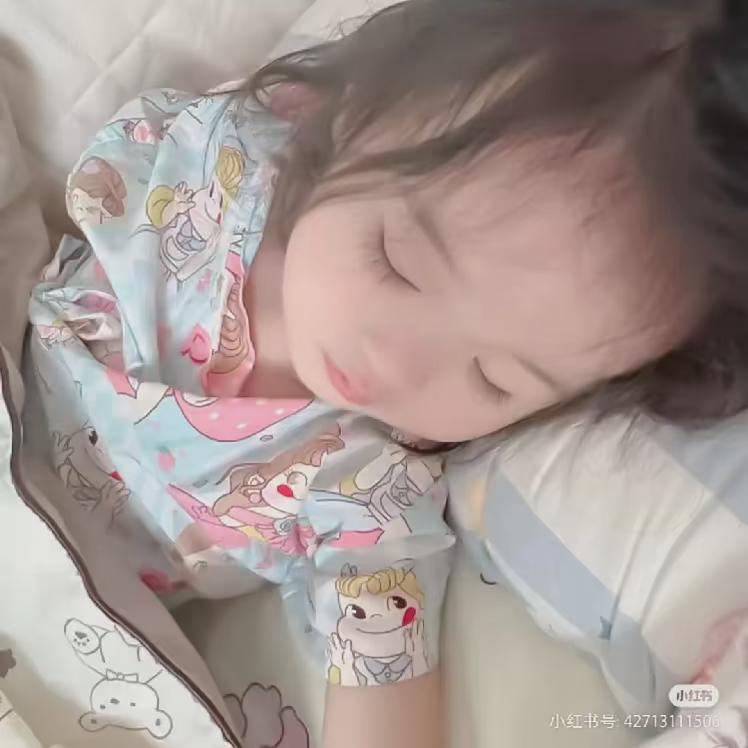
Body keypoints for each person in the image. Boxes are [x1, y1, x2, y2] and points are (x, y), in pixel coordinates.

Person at [28, 1, 748, 746]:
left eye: (494, 378)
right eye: (399, 264)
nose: (400, 365)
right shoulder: (203, 157)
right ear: (343, 116)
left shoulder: (371, 493)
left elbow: (381, 688)